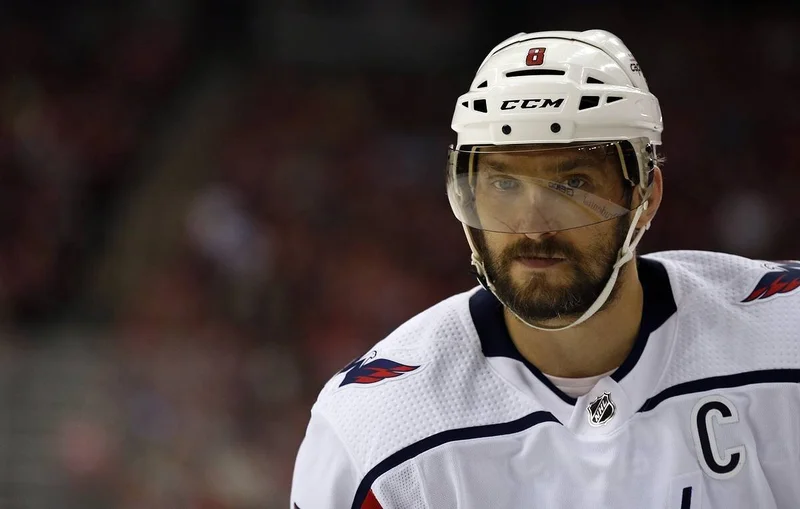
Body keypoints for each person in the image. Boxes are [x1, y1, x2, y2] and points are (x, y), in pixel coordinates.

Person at [290, 29, 800, 509]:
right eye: (504, 184)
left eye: (573, 183)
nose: (533, 227)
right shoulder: (374, 428)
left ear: (645, 197)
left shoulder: (786, 338)